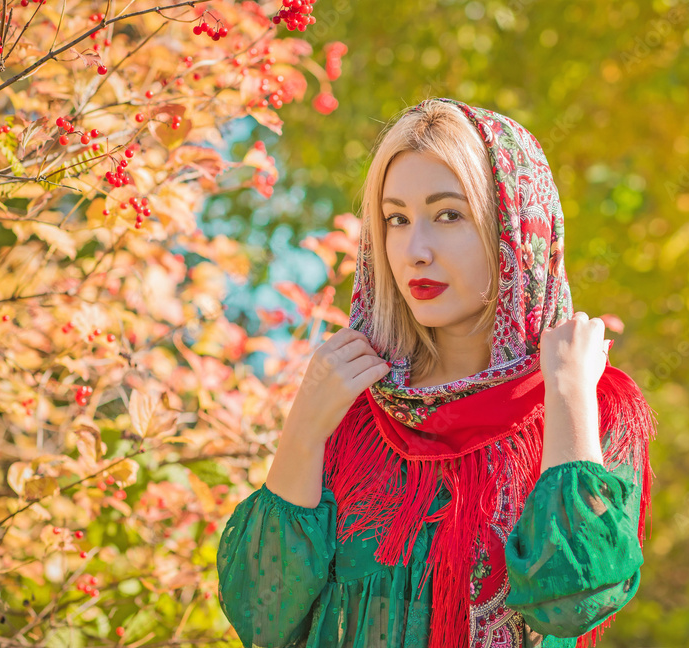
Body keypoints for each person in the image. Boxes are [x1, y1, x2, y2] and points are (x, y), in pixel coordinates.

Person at [216, 97, 658, 648]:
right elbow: (261, 617)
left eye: (448, 215)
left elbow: (572, 602)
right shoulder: (351, 406)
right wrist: (304, 430)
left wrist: (568, 396)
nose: (414, 251)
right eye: (396, 219)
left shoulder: (593, 403)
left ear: (514, 226)